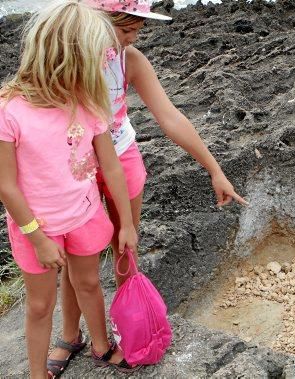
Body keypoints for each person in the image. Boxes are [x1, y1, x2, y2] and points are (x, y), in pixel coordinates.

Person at [47, 0, 249, 370]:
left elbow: (170, 116)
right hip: (78, 166)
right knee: (78, 260)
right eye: (124, 31)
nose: (128, 40)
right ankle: (71, 335)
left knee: (126, 248)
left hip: (122, 158)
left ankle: (129, 330)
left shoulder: (129, 60)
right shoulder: (65, 63)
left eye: (135, 33)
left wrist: (213, 169)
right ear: (95, 21)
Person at [0, 1, 140, 377]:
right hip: (37, 229)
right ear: (65, 58)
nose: (102, 65)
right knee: (40, 305)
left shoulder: (87, 101)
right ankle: (35, 373)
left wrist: (126, 223)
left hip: (84, 214)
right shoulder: (9, 110)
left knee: (89, 282)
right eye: (95, 57)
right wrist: (38, 238)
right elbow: (6, 186)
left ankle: (100, 345)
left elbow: (110, 165)